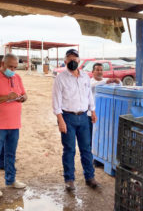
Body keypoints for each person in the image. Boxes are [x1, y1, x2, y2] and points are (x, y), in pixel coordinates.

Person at [52, 49, 99, 192]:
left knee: (86, 149)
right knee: (69, 150)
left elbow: (89, 96)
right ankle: (69, 180)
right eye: (70, 59)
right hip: (68, 118)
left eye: (75, 59)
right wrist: (60, 120)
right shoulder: (60, 78)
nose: (72, 62)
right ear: (65, 61)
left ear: (79, 61)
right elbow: (56, 101)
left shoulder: (85, 77)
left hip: (84, 117)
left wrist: (93, 111)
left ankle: (90, 177)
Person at [0, 53, 28, 198]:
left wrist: (23, 98)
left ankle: (11, 180)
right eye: (10, 67)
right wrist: (6, 97)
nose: (13, 70)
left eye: (15, 67)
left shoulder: (17, 77)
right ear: (2, 64)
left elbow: (24, 94)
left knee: (11, 154)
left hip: (14, 123)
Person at [88, 63, 122, 155]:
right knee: (91, 137)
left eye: (101, 70)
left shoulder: (106, 80)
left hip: (104, 114)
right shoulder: (89, 82)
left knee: (102, 136)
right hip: (91, 114)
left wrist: (118, 81)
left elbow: (119, 86)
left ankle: (101, 155)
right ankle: (92, 157)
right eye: (97, 70)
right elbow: (94, 85)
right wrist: (108, 81)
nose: (99, 72)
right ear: (92, 72)